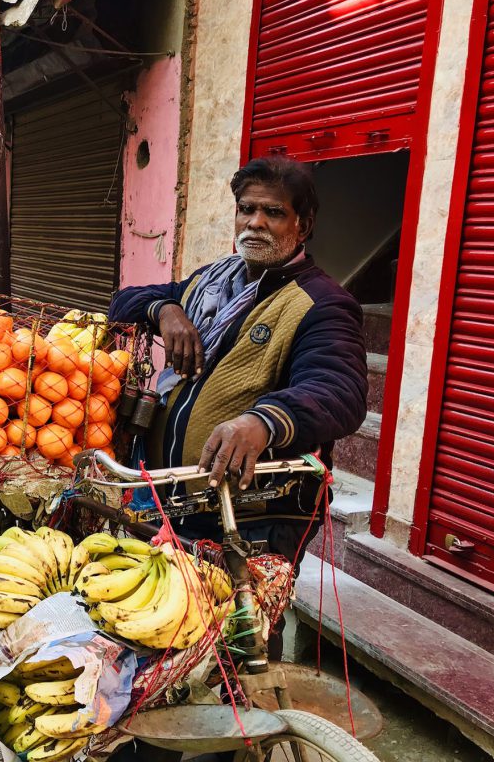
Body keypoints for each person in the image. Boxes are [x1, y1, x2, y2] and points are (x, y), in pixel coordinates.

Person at [109, 156, 367, 655]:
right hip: (175, 497)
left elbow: (338, 390)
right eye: (246, 209)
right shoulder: (214, 282)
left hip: (254, 511)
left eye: (273, 213)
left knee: (241, 639)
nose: (255, 222)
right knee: (168, 633)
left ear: (303, 225)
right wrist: (164, 309)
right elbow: (125, 300)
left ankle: (252, 727)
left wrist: (263, 421)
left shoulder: (321, 303)